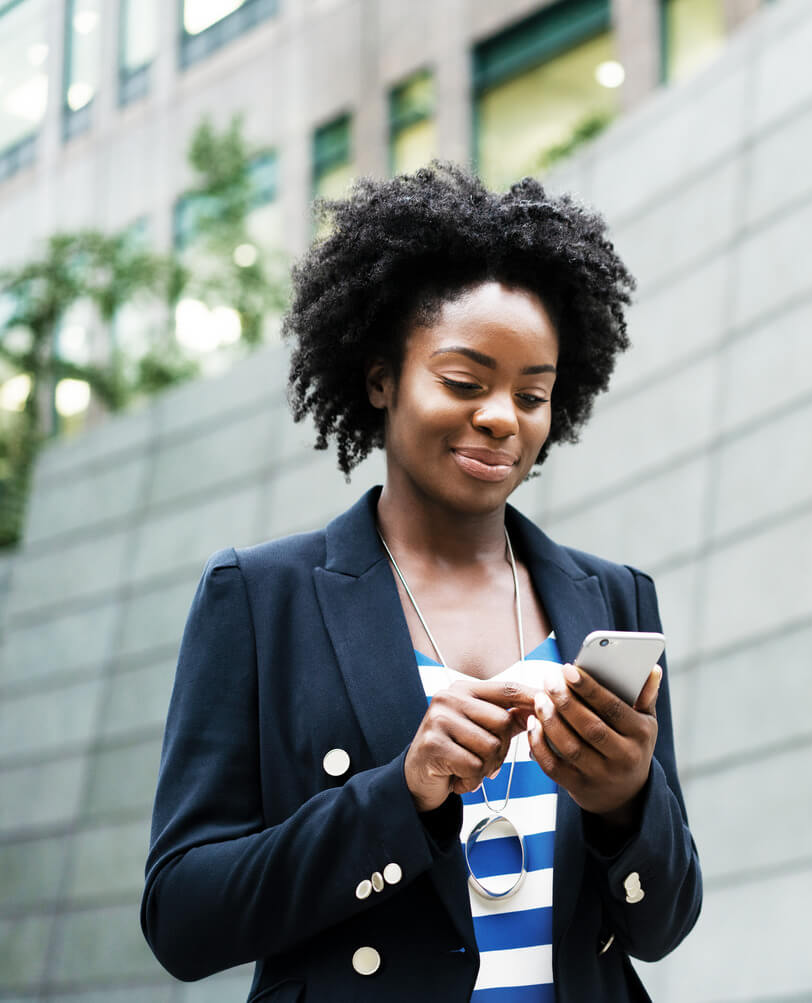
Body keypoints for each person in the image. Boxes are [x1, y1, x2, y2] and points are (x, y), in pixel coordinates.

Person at [141, 164, 702, 1002]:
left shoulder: (613, 598)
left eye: (533, 394)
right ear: (380, 378)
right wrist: (402, 794)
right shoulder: (261, 599)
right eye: (465, 382)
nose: (503, 417)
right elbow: (182, 916)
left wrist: (628, 802)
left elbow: (664, 924)